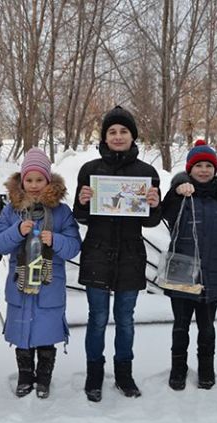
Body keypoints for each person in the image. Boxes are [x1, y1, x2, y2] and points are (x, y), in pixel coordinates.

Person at [73, 105, 162, 402]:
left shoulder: (146, 173)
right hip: (97, 253)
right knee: (97, 317)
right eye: (112, 131)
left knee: (125, 318)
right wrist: (84, 201)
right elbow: (81, 216)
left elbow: (150, 221)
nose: (118, 136)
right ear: (104, 137)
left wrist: (153, 203)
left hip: (130, 256)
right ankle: (94, 375)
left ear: (133, 136)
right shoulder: (90, 170)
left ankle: (124, 373)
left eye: (124, 131)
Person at [0, 148, 81, 399]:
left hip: (48, 285)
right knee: (22, 333)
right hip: (20, 284)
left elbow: (73, 247)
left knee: (46, 332)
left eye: (39, 180)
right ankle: (24, 376)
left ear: (48, 181)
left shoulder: (62, 212)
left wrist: (55, 239)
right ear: (21, 181)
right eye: (28, 180)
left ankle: (44, 378)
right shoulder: (11, 210)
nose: (33, 185)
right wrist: (17, 231)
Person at [160, 140, 217, 391]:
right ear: (189, 169)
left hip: (212, 273)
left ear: (215, 169)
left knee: (207, 328)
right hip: (183, 270)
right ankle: (178, 371)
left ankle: (206, 370)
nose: (203, 170)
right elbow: (164, 212)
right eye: (198, 166)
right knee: (181, 326)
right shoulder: (179, 197)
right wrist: (175, 191)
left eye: (208, 165)